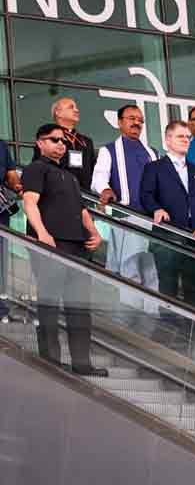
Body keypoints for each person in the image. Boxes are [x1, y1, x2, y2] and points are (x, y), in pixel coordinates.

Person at [22, 124, 106, 376]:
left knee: (79, 307)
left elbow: (82, 209)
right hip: (52, 243)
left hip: (78, 245)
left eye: (63, 141)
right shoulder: (36, 168)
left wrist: (94, 232)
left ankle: (82, 362)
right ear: (40, 143)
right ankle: (50, 360)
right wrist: (41, 232)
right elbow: (30, 202)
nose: (61, 144)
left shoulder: (69, 175)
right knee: (49, 302)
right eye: (54, 139)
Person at [90, 104, 160, 305]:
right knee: (129, 268)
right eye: (131, 118)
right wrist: (105, 189)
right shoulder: (109, 150)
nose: (137, 123)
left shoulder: (152, 152)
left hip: (152, 220)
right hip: (127, 217)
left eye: (140, 120)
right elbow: (99, 178)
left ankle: (151, 312)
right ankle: (131, 312)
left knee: (149, 270)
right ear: (119, 122)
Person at [141, 120, 195, 309]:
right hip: (167, 235)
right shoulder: (154, 167)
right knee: (168, 289)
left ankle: (194, 327)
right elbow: (146, 195)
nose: (186, 140)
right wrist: (156, 209)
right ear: (168, 140)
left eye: (188, 137)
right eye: (181, 136)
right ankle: (168, 327)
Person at [33, 97, 96, 189]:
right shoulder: (48, 139)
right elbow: (39, 168)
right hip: (58, 191)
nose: (76, 110)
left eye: (76, 108)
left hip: (85, 194)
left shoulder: (86, 141)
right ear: (58, 113)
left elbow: (93, 171)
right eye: (71, 107)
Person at [0, 138, 22, 321]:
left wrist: (17, 185)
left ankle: (0, 306)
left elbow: (11, 174)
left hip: (0, 212)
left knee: (0, 259)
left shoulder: (1, 145)